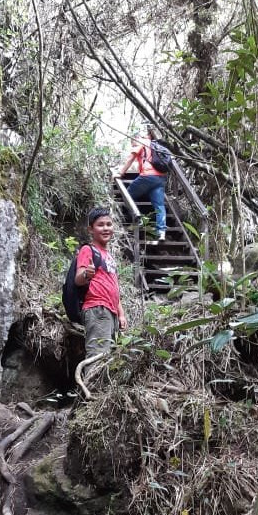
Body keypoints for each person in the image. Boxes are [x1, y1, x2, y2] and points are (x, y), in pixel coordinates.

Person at [76, 207, 127, 357]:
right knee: (97, 356)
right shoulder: (88, 250)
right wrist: (86, 273)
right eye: (100, 225)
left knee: (107, 358)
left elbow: (114, 287)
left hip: (111, 312)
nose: (106, 228)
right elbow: (78, 279)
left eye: (109, 224)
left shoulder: (109, 256)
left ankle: (94, 381)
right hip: (97, 308)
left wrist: (121, 314)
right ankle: (88, 381)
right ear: (91, 229)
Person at [118, 126, 167, 243]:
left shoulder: (141, 142)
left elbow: (131, 158)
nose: (133, 146)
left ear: (135, 138)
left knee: (127, 195)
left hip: (147, 176)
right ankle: (161, 232)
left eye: (132, 143)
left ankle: (138, 218)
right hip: (160, 177)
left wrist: (120, 173)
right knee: (159, 206)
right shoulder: (153, 143)